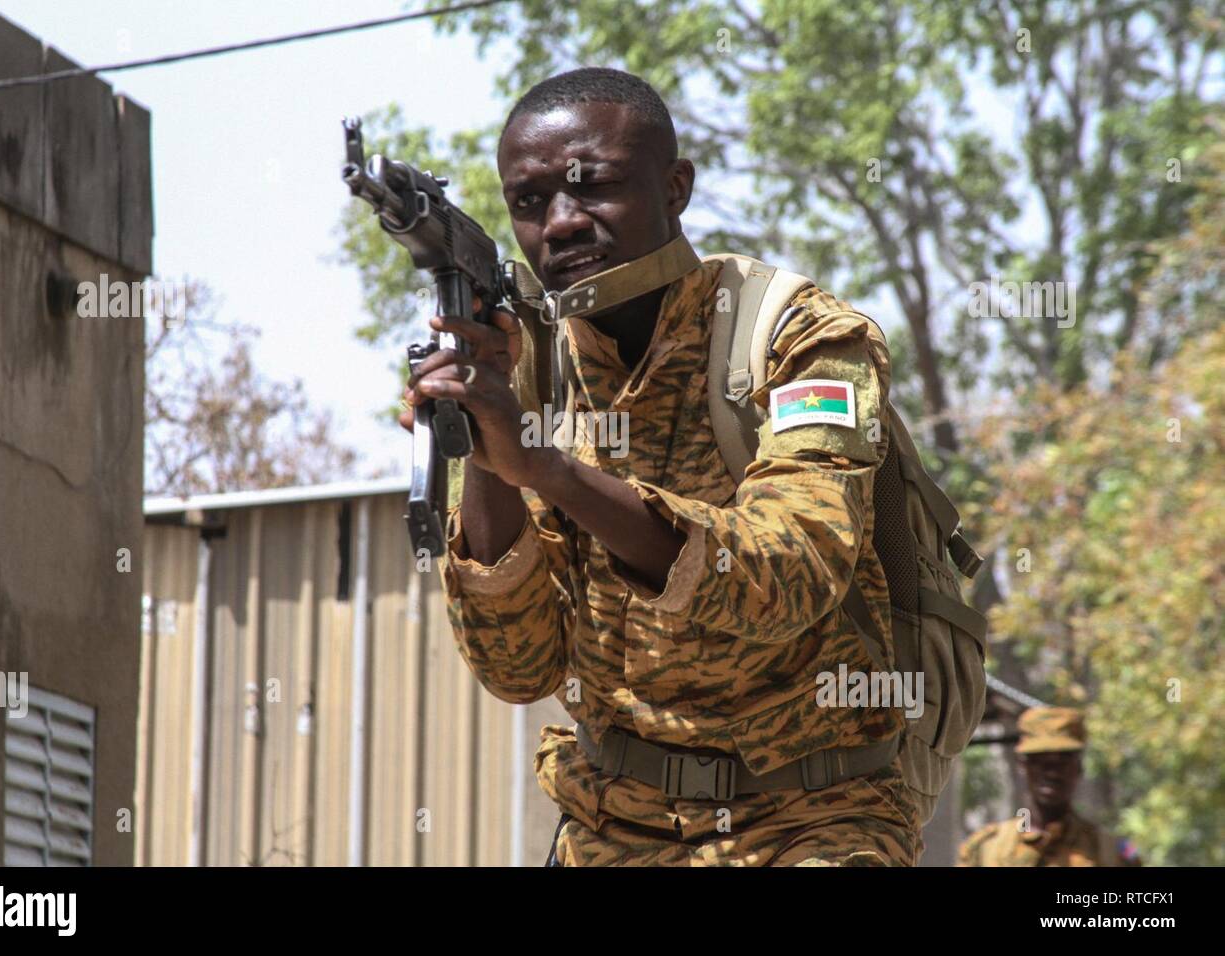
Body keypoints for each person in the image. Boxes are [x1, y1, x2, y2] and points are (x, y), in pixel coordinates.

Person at [400, 67, 918, 866]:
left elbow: (793, 575)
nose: (561, 225)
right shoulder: (542, 374)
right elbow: (519, 666)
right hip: (614, 829)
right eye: (530, 204)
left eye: (593, 188)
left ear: (675, 187)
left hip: (814, 819)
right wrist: (494, 448)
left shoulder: (801, 338)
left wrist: (550, 468)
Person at [957, 706, 1141, 866]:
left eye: (1062, 762)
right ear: (1023, 765)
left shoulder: (1112, 853)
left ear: (1078, 767)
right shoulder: (985, 850)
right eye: (1041, 761)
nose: (1052, 773)